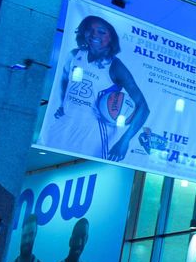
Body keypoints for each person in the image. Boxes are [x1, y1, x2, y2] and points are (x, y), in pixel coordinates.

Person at [42, 15, 150, 161]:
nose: (94, 34)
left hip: (94, 132)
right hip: (64, 124)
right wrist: (62, 104)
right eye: (89, 30)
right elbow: (64, 79)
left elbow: (144, 107)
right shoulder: (74, 54)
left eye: (101, 32)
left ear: (111, 38)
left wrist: (124, 141)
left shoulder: (115, 66)